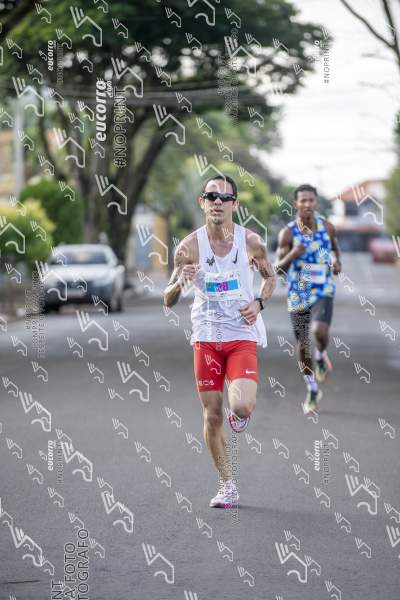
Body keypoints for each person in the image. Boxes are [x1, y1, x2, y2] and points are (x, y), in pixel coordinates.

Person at [163, 175, 276, 508]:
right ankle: (227, 485)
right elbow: (167, 299)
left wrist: (259, 303)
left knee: (240, 406)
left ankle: (240, 414)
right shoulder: (187, 248)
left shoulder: (251, 242)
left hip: (241, 334)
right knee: (212, 416)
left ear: (234, 205)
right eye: (211, 196)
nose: (217, 202)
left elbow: (270, 277)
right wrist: (180, 284)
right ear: (202, 202)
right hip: (207, 338)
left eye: (225, 198)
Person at [276, 183, 341, 414]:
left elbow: (334, 249)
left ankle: (321, 355)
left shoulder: (327, 227)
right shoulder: (288, 233)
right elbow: (279, 270)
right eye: (302, 200)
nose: (307, 204)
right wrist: (293, 254)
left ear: (316, 202)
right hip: (299, 291)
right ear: (296, 204)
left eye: (311, 200)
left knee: (319, 331)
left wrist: (337, 263)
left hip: (323, 288)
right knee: (302, 344)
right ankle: (312, 389)